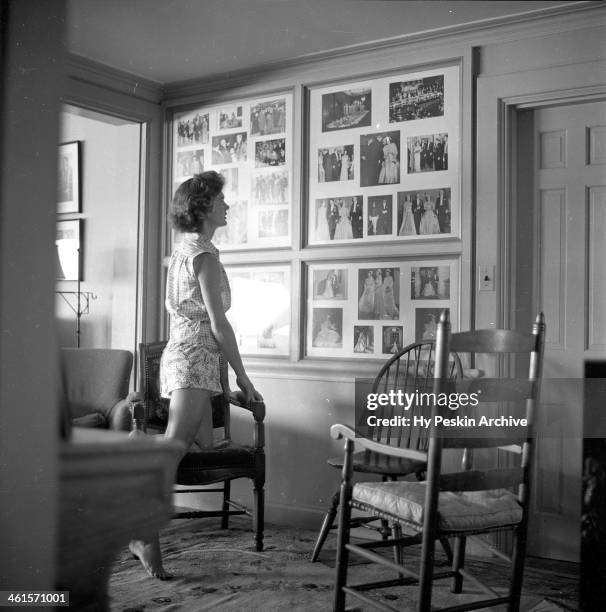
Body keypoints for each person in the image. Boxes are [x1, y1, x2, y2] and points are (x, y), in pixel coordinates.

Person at [130, 171, 263, 580]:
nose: (227, 206)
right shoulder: (203, 255)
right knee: (175, 444)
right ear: (203, 207)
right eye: (221, 200)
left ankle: (139, 447)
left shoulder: (188, 248)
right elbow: (219, 326)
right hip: (192, 357)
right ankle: (142, 532)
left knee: (203, 441)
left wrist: (227, 389)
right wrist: (245, 378)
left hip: (196, 359)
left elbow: (207, 326)